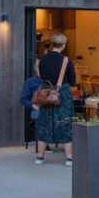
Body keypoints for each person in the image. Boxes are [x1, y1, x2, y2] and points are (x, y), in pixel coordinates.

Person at [35, 33, 76, 166]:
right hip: (62, 94)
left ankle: (40, 157)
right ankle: (69, 158)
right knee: (65, 123)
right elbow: (73, 81)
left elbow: (42, 76)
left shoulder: (42, 59)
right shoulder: (66, 61)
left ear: (53, 43)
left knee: (44, 123)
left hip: (47, 93)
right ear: (63, 45)